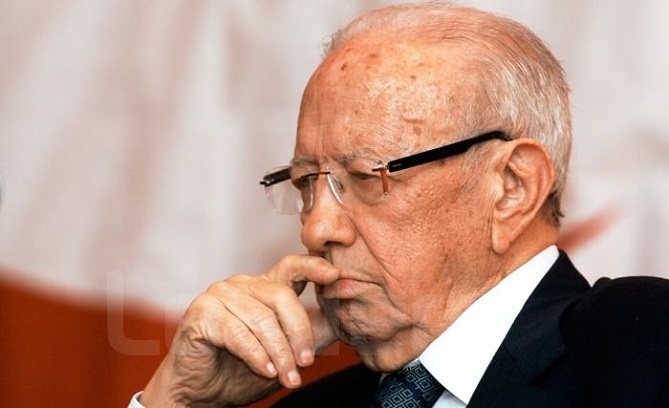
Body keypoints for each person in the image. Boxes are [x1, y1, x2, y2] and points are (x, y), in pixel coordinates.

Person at [131, 2, 669, 407]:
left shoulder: (647, 347)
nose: (316, 228)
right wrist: (175, 402)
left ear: (512, 187)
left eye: (368, 176)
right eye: (306, 183)